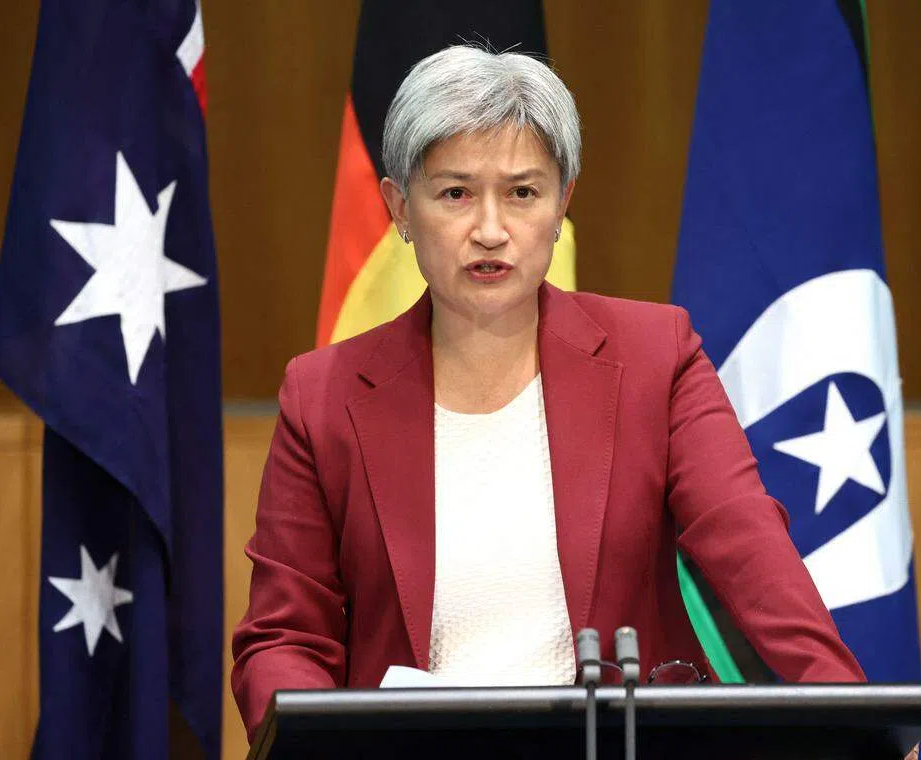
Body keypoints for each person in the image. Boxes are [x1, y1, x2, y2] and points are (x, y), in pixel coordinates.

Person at [231, 44, 867, 741]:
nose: (490, 230)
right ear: (399, 208)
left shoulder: (656, 358)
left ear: (563, 202)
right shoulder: (323, 397)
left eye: (523, 193)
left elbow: (749, 551)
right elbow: (284, 637)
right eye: (455, 193)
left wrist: (854, 720)